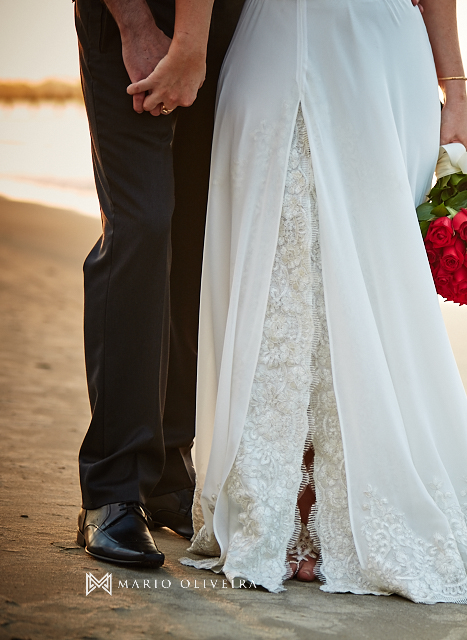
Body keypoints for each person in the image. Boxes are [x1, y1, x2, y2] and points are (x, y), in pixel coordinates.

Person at [133, 0, 467, 602]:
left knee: (372, 279)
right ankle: (284, 508)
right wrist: (190, 47)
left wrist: (455, 90)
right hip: (276, 39)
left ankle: (340, 512)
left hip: (382, 54)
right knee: (279, 270)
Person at [73, 0, 245, 568]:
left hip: (227, 30)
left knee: (194, 235)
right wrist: (135, 24)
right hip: (138, 17)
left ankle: (169, 466)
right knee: (142, 226)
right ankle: (113, 486)